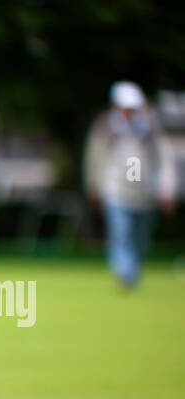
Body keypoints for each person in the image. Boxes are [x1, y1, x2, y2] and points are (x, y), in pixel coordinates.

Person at [84, 81, 177, 288]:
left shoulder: (150, 128)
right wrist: (94, 185)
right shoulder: (106, 126)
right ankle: (126, 272)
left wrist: (167, 188)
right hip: (115, 190)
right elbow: (95, 157)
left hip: (144, 192)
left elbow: (164, 158)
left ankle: (134, 269)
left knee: (140, 238)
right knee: (120, 233)